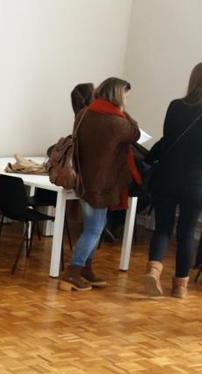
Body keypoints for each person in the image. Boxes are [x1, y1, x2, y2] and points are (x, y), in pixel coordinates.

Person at [144, 62, 202, 298]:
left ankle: (154, 268)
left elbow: (168, 137)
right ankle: (180, 286)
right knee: (186, 231)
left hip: (167, 176)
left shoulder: (175, 106)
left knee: (163, 227)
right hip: (196, 180)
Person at [59, 77, 141, 291]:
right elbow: (136, 133)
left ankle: (87, 269)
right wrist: (122, 111)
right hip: (101, 184)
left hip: (84, 180)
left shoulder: (84, 114)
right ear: (117, 96)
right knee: (94, 229)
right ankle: (73, 272)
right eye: (126, 96)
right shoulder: (116, 122)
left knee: (92, 227)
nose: (127, 100)